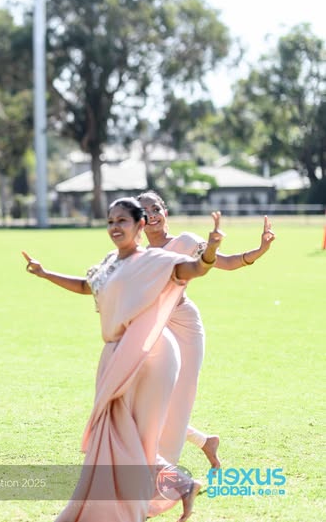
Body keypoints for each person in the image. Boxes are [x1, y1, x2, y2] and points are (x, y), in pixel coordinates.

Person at [22, 198, 224, 522]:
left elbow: (195, 268)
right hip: (117, 351)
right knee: (120, 434)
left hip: (147, 352)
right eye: (110, 221)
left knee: (118, 430)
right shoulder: (109, 262)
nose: (115, 227)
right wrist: (45, 274)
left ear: (140, 225)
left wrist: (210, 250)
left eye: (123, 221)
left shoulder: (155, 260)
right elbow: (87, 287)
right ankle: (181, 485)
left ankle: (139, 500)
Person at [136, 191, 276, 474]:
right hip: (154, 330)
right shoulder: (136, 253)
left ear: (165, 212)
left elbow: (223, 262)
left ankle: (163, 480)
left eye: (155, 208)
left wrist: (258, 251)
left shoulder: (185, 241)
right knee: (143, 402)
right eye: (143, 211)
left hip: (184, 328)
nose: (151, 215)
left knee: (178, 403)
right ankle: (205, 442)